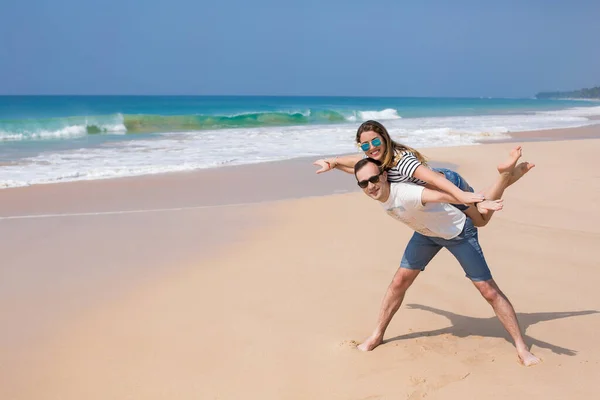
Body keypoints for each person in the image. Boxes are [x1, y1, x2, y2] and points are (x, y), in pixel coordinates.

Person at [352, 150, 541, 366]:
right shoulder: (377, 189)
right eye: (363, 184)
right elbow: (357, 166)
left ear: (384, 175)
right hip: (426, 234)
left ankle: (522, 347)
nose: (370, 186)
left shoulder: (405, 194)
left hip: (457, 232)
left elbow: (444, 196)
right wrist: (334, 162)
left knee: (488, 291)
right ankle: (377, 335)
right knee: (399, 281)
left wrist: (477, 203)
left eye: (374, 179)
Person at [314, 120, 505, 227]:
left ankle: (504, 178)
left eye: (376, 141)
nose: (371, 147)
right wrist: (333, 163)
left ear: (385, 138)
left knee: (480, 221)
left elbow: (434, 179)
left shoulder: (401, 161)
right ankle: (487, 194)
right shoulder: (379, 160)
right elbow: (355, 168)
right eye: (365, 145)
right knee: (479, 213)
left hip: (447, 182)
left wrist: (463, 196)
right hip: (437, 190)